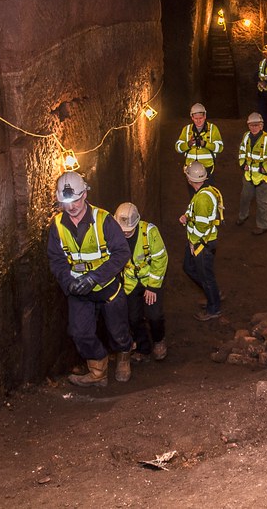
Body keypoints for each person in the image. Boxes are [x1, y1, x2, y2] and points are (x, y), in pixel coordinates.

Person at [47, 171, 133, 386]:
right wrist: (69, 283)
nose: (72, 207)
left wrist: (94, 277)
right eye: (67, 202)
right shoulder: (57, 226)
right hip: (78, 290)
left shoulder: (104, 221)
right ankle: (98, 370)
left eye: (76, 200)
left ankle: (123, 356)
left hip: (108, 287)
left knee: (117, 329)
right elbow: (56, 259)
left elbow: (122, 253)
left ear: (84, 194)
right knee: (79, 332)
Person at [114, 202, 170, 362]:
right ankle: (143, 348)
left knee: (154, 315)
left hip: (149, 279)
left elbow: (161, 258)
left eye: (128, 231)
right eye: (122, 230)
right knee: (133, 318)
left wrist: (152, 286)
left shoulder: (150, 232)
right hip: (130, 282)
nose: (124, 233)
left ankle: (159, 341)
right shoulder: (113, 233)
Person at [179, 161, 224, 321]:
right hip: (199, 242)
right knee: (189, 267)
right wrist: (187, 217)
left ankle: (214, 308)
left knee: (206, 277)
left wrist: (194, 243)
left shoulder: (203, 199)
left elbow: (202, 226)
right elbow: (198, 216)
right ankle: (213, 294)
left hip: (202, 244)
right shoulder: (203, 192)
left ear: (190, 178)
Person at [236, 112, 267, 236]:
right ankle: (243, 216)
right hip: (248, 176)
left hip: (262, 178)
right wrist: (242, 163)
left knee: (262, 203)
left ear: (261, 126)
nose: (254, 127)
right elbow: (241, 150)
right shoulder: (246, 136)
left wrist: (266, 167)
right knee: (244, 198)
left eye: (256, 125)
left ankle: (263, 225)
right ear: (248, 125)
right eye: (251, 125)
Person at [175, 103, 223, 193]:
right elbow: (178, 148)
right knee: (193, 195)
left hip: (207, 169)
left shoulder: (213, 129)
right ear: (192, 117)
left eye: (200, 118)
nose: (198, 121)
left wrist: (205, 144)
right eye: (196, 118)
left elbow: (220, 148)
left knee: (207, 193)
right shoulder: (187, 129)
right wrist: (188, 144)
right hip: (190, 169)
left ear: (205, 116)